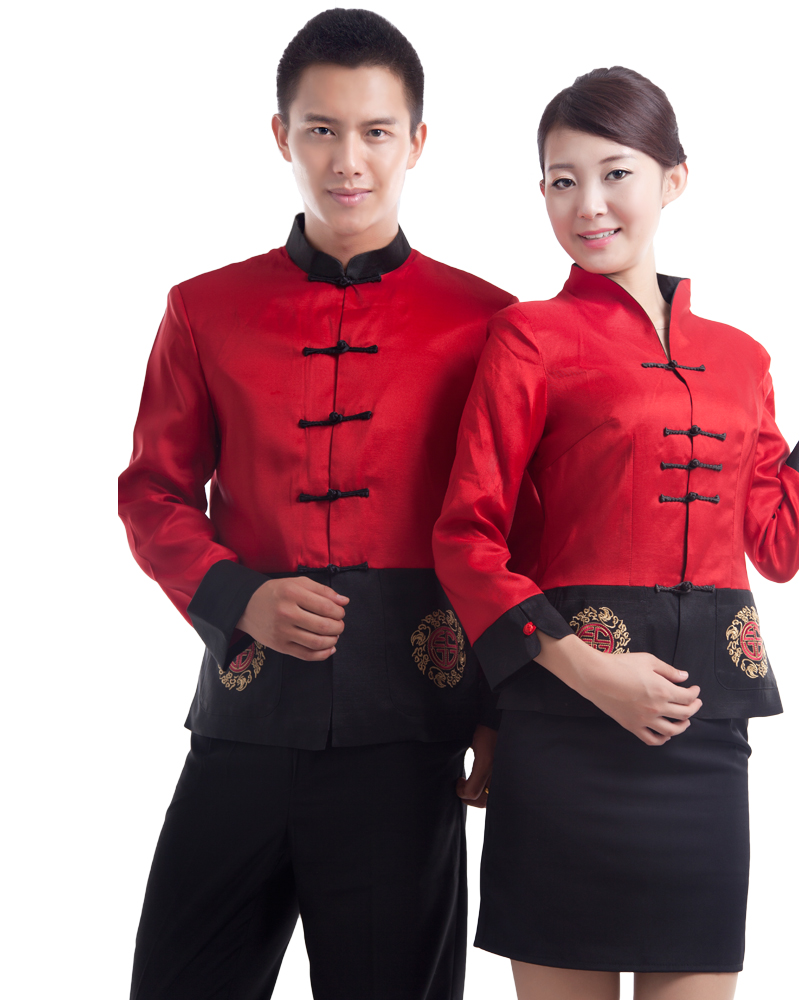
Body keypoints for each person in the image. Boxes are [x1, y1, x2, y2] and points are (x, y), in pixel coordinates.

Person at [432, 67, 799, 1000]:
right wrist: (591, 671)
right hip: (562, 725)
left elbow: (777, 544)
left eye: (615, 174)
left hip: (703, 732)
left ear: (674, 179)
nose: (588, 205)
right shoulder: (528, 338)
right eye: (562, 181)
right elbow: (466, 538)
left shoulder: (741, 357)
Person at [118, 9, 516, 999]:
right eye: (322, 129)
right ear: (281, 135)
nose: (349, 160)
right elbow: (154, 491)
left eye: (376, 131)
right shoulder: (203, 309)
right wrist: (238, 594)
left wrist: (499, 707)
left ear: (416, 142)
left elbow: (515, 529)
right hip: (245, 719)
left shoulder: (488, 323)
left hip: (411, 727)